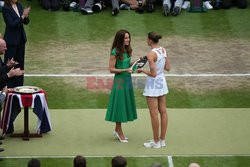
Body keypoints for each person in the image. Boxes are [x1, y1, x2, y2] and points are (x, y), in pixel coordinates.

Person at [138, 32, 170, 148]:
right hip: (162, 82)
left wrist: (142, 71)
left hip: (153, 84)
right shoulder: (163, 50)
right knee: (163, 112)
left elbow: (153, 74)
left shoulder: (151, 54)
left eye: (147, 39)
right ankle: (162, 140)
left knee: (154, 114)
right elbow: (168, 68)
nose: (146, 40)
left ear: (150, 40)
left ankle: (156, 142)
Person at [105, 30, 137, 143]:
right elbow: (111, 69)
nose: (128, 40)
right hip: (119, 82)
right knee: (120, 106)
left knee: (123, 105)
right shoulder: (115, 52)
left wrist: (135, 64)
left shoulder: (128, 50)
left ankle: (116, 130)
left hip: (127, 81)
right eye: (125, 38)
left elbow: (127, 64)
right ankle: (119, 131)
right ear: (120, 39)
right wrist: (125, 69)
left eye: (128, 37)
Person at [2, 0, 30, 88]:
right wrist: (22, 16)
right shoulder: (5, 8)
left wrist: (26, 16)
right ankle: (9, 88)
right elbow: (11, 24)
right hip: (11, 41)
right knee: (10, 64)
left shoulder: (19, 5)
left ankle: (19, 87)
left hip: (21, 39)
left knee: (20, 64)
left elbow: (26, 22)